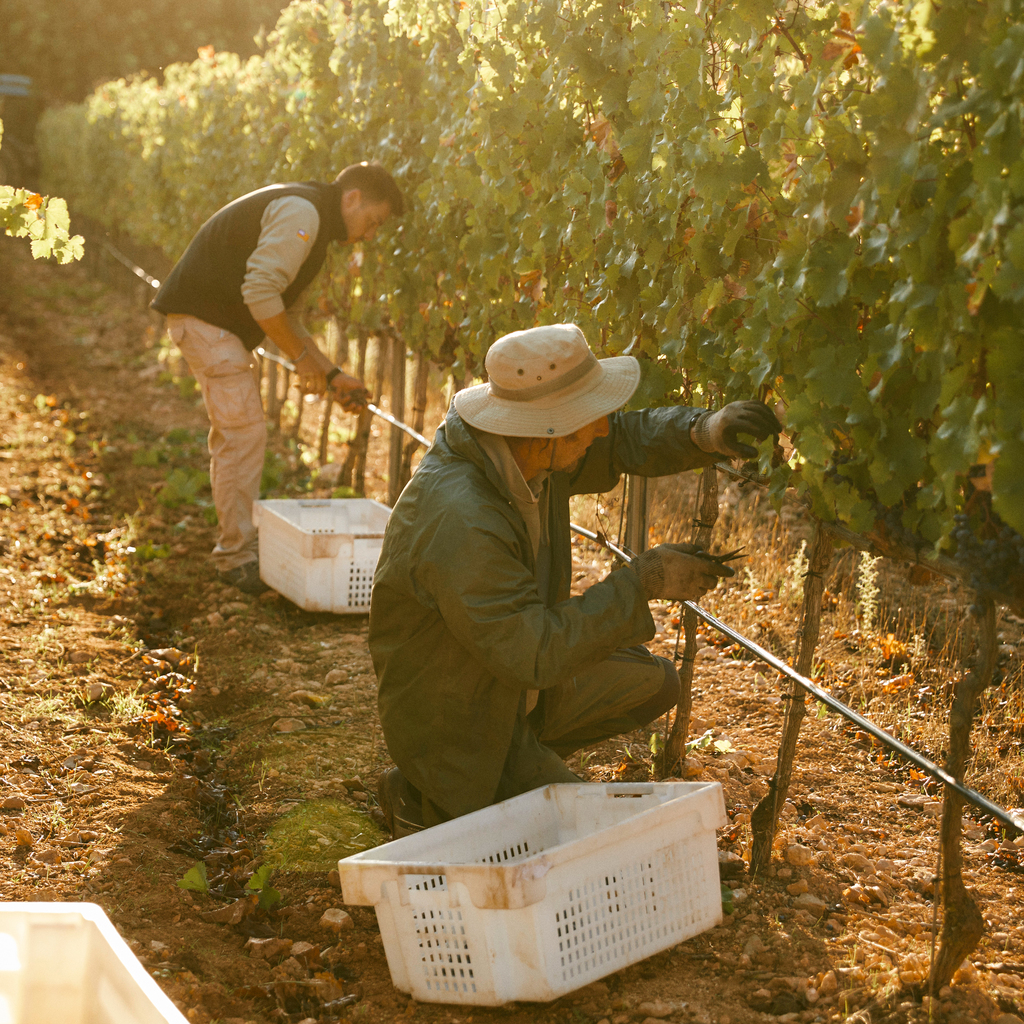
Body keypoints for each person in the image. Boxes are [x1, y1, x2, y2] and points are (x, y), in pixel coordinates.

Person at [368, 323, 781, 836]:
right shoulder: (463, 517)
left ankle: (513, 760)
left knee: (653, 683)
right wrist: (644, 580)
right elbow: (535, 653)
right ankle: (435, 788)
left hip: (499, 678)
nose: (603, 428)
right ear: (546, 427)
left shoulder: (520, 452)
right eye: (589, 418)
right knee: (582, 838)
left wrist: (702, 431)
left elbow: (621, 439)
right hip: (456, 714)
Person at [152, 162, 404, 593]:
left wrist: (331, 374)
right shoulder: (303, 214)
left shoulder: (314, 225)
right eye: (372, 222)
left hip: (212, 326)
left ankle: (237, 552)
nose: (369, 235)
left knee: (240, 433)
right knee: (243, 434)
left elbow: (287, 315)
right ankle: (235, 560)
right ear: (352, 198)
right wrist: (305, 359)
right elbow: (260, 293)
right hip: (205, 323)